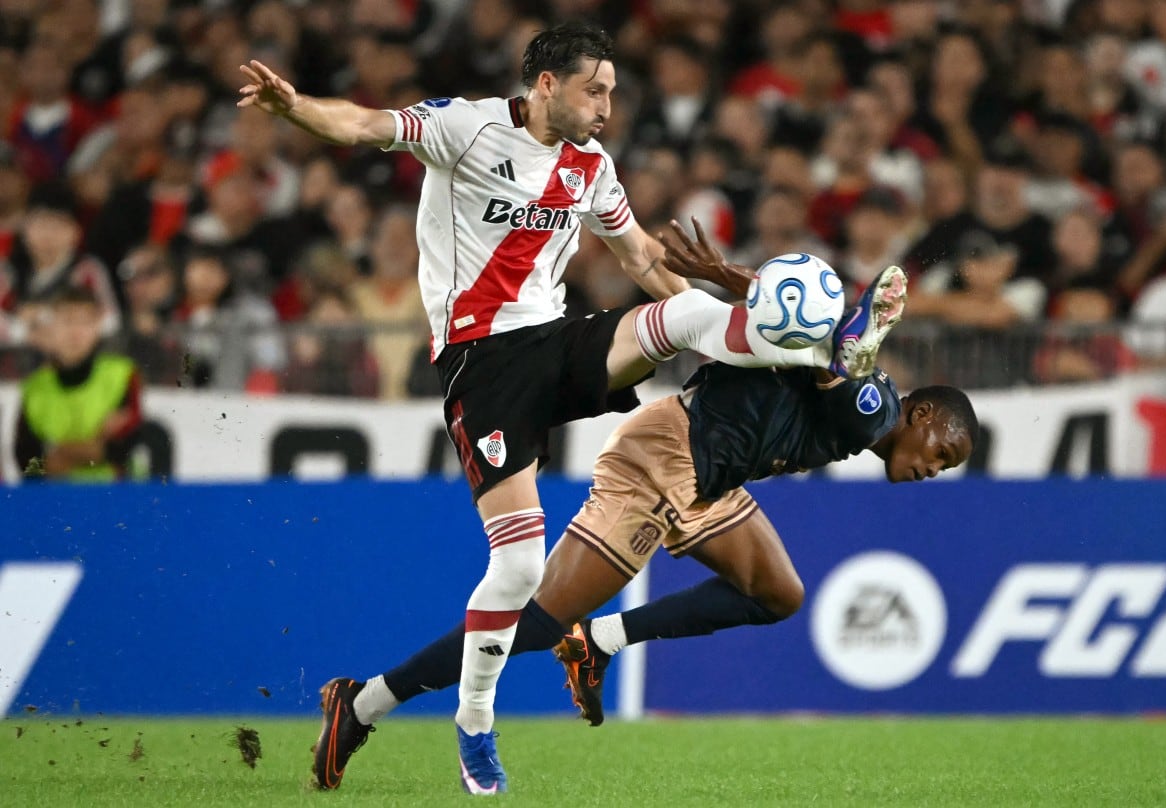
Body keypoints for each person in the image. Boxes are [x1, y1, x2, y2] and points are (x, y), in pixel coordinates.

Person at [238, 22, 904, 795]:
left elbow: (643, 262)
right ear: (546, 84)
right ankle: (472, 720)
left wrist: (728, 297)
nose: (607, 108)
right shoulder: (468, 127)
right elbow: (362, 123)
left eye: (614, 92)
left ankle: (819, 353)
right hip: (482, 365)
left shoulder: (592, 166)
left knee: (685, 316)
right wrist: (295, 110)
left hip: (556, 345)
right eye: (596, 90)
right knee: (520, 564)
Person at [306, 266, 975, 786]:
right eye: (942, 452)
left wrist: (738, 279)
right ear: (920, 418)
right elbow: (846, 376)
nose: (935, 468)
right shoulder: (876, 408)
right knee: (534, 622)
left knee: (778, 593)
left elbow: (802, 325)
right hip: (669, 456)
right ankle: (363, 703)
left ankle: (599, 640)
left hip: (709, 477)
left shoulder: (869, 401)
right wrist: (846, 345)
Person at [13, 286, 142, 481]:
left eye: (84, 322)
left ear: (98, 327)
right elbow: (27, 461)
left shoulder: (121, 374)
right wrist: (92, 447)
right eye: (67, 321)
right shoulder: (34, 388)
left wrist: (60, 452)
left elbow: (128, 446)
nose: (75, 332)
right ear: (52, 327)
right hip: (55, 502)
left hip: (116, 498)